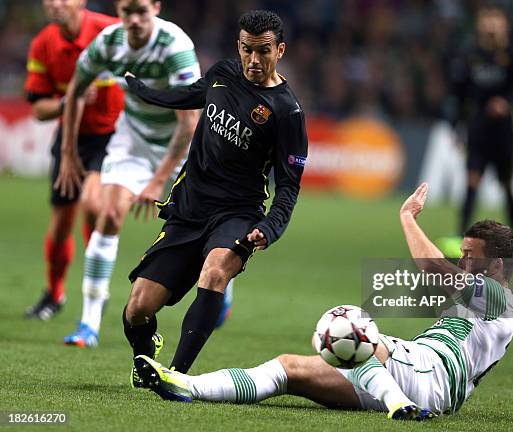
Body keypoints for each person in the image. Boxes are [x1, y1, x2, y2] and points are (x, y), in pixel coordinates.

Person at [133, 183, 513, 422]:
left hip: (429, 372)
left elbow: (432, 267)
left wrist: (407, 217)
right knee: (288, 370)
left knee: (349, 324)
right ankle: (184, 384)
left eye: (471, 255)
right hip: (425, 377)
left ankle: (398, 402)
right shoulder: (484, 299)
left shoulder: (500, 296)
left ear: (497, 264)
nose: (464, 261)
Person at [121, 9, 308, 385]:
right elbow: (191, 94)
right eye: (246, 50)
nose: (254, 60)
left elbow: (289, 184)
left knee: (216, 271)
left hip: (237, 214)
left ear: (280, 50)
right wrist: (145, 92)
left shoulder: (288, 112)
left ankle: (176, 376)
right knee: (137, 309)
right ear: (238, 46)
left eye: (263, 51)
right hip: (189, 208)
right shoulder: (222, 74)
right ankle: (146, 356)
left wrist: (270, 227)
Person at [55, 0, 201, 347]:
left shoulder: (175, 46)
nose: (134, 20)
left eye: (141, 11)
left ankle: (220, 289)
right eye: (126, 12)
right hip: (133, 139)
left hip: (184, 144)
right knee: (108, 214)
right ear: (118, 12)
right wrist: (67, 151)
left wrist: (157, 180)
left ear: (156, 8)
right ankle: (89, 323)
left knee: (203, 229)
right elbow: (76, 87)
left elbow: (190, 121)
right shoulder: (108, 42)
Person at [24, 0, 123, 320]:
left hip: (111, 136)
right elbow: (39, 110)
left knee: (94, 205)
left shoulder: (111, 31)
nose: (55, 4)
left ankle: (97, 286)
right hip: (71, 140)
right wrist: (70, 99)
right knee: (61, 225)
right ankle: (54, 295)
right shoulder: (43, 44)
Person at [445, 7, 513, 236]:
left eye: (496, 21)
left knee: (507, 185)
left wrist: (506, 102)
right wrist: (455, 126)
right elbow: (458, 93)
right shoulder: (469, 54)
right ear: (480, 25)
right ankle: (462, 237)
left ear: (504, 26)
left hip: (505, 130)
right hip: (478, 127)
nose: (491, 25)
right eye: (487, 20)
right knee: (471, 181)